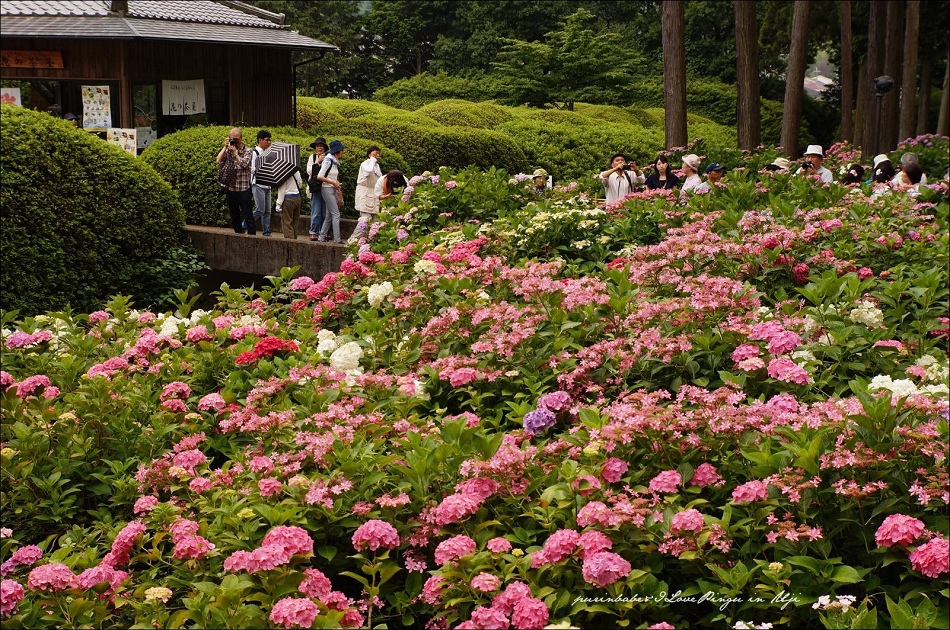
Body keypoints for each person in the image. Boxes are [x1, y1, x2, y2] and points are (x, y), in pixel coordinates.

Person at [216, 127, 255, 235]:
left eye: (237, 139)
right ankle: (238, 235)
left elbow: (244, 164)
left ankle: (253, 238)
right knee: (234, 216)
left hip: (243, 189)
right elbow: (218, 160)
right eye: (232, 138)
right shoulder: (228, 149)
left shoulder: (248, 150)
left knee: (248, 215)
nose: (235, 141)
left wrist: (235, 154)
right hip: (231, 188)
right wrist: (225, 147)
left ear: (241, 138)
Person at [317, 140, 345, 244]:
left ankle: (322, 236)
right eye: (341, 150)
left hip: (331, 188)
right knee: (336, 214)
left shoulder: (334, 161)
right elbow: (320, 176)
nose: (342, 152)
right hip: (327, 189)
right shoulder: (328, 160)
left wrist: (335, 183)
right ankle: (337, 239)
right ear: (338, 151)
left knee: (329, 215)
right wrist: (333, 183)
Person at [354, 146, 383, 232]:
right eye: (375, 153)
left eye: (378, 154)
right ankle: (353, 240)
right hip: (364, 193)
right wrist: (372, 159)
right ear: (370, 154)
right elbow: (369, 170)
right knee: (365, 219)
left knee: (374, 221)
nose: (378, 156)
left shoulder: (376, 166)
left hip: (374, 194)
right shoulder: (365, 163)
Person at [250, 129, 273, 236]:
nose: (269, 143)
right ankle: (245, 224)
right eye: (267, 140)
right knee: (260, 209)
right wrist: (262, 168)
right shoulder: (255, 152)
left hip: (267, 184)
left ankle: (267, 232)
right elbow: (251, 168)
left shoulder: (268, 153)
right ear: (260, 140)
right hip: (258, 183)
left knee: (267, 211)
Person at [306, 137, 328, 241]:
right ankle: (314, 231)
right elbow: (309, 171)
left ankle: (323, 231)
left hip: (325, 186)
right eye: (317, 146)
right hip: (315, 186)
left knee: (325, 211)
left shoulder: (328, 157)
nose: (319, 148)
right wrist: (317, 162)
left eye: (321, 146)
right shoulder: (312, 157)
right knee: (316, 211)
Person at [276, 168, 303, 239]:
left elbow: (282, 189)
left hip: (288, 199)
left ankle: (290, 244)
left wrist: (278, 204)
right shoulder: (296, 170)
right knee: (295, 222)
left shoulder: (283, 172)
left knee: (287, 223)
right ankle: (295, 241)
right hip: (297, 197)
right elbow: (300, 184)